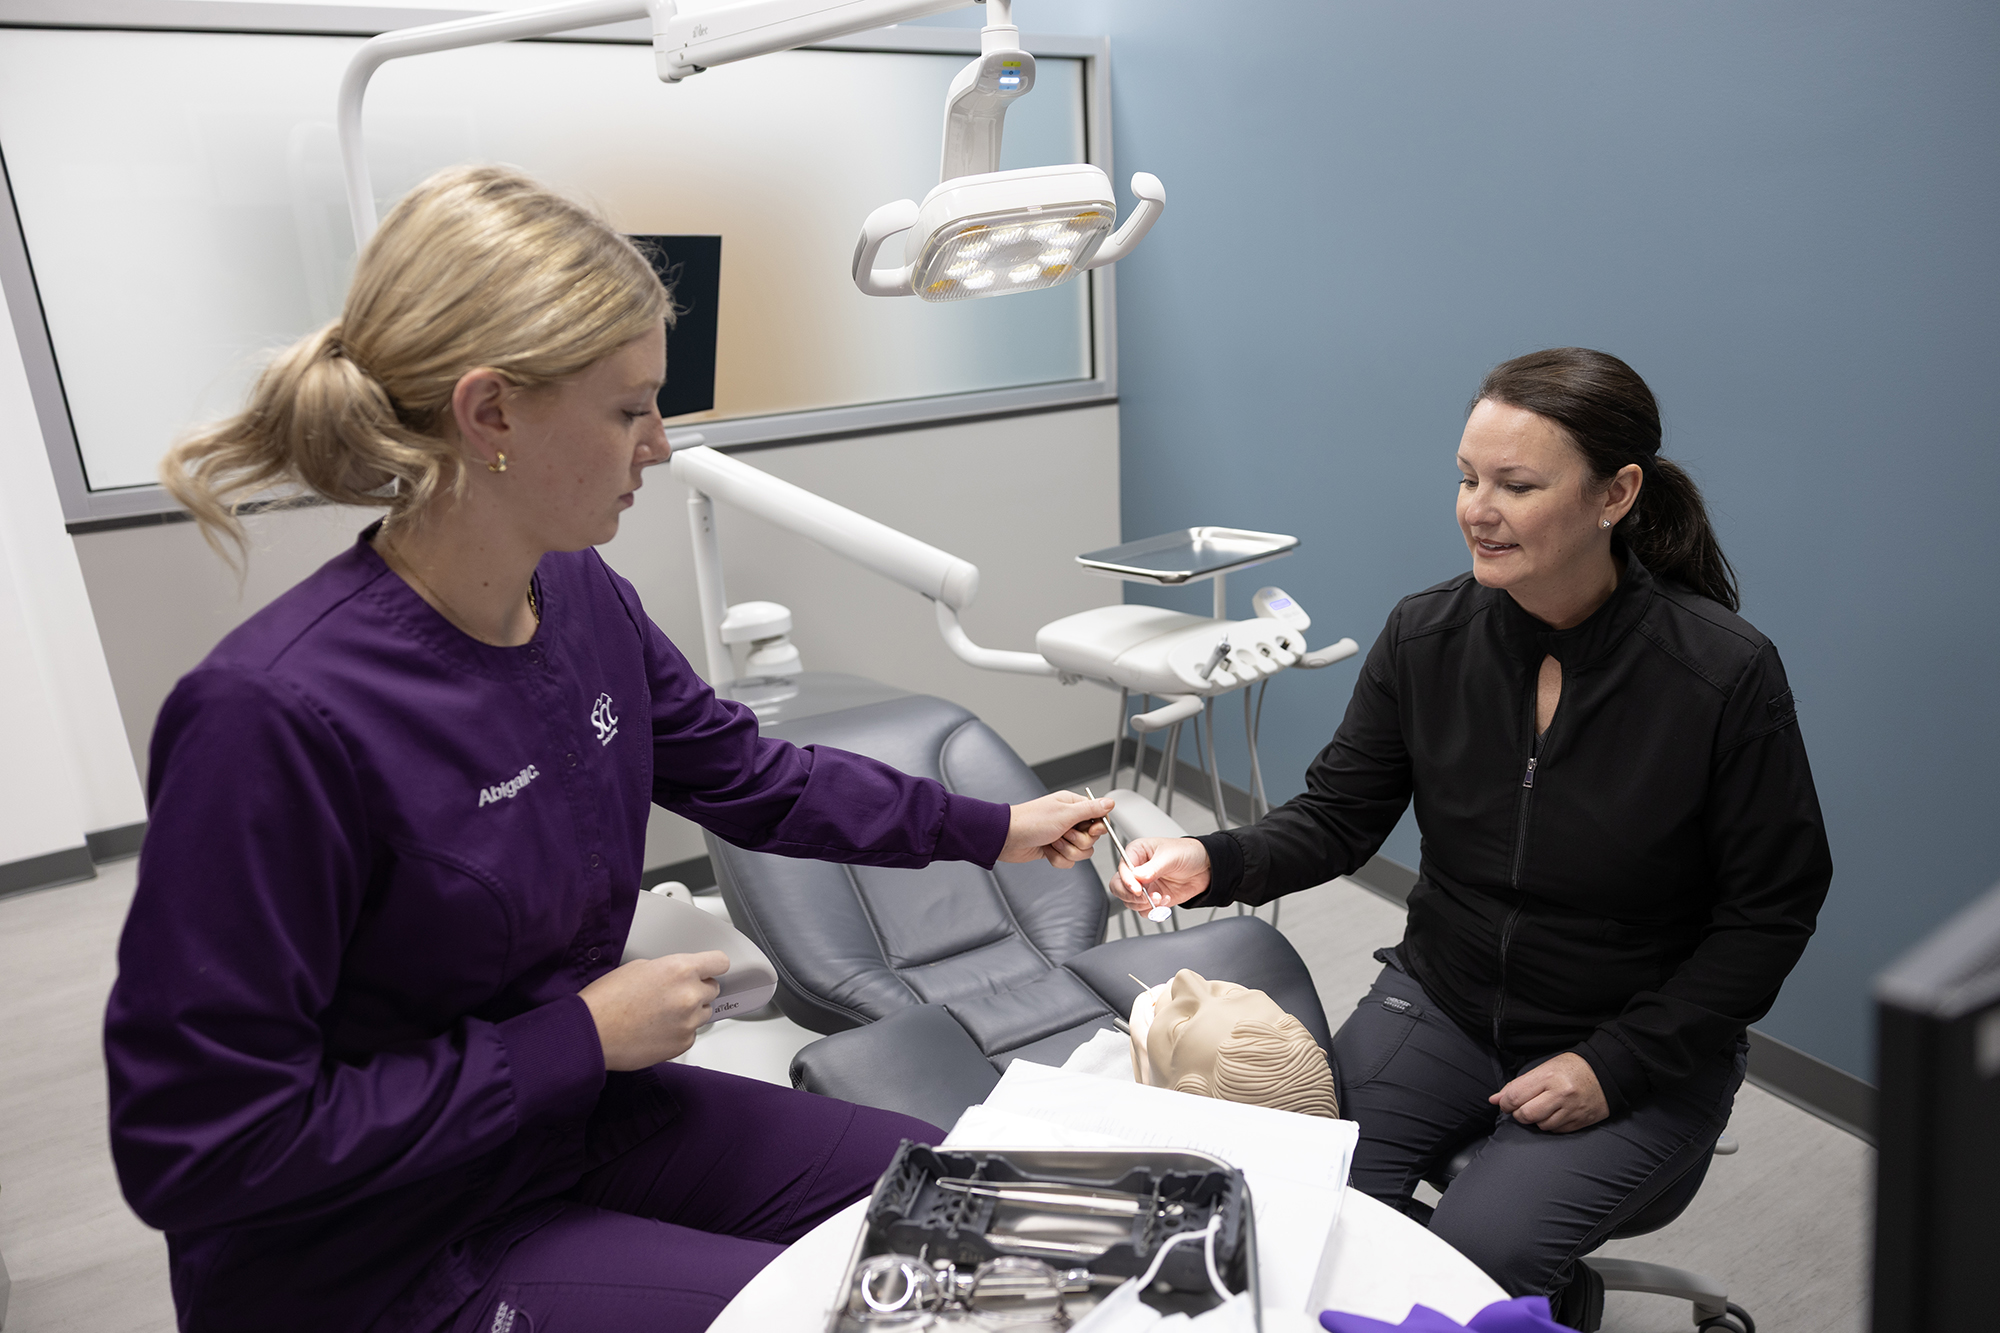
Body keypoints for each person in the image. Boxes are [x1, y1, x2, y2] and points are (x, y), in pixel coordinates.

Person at [103, 165, 1113, 1333]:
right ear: (491, 416)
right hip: (375, 1244)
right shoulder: (271, 719)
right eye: (629, 408)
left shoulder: (578, 597)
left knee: (963, 1206)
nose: (662, 444)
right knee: (843, 1318)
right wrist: (577, 1034)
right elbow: (201, 1147)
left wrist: (989, 826)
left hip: (570, 1118)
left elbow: (748, 776)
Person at [1113, 348, 1832, 1331]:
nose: (1474, 508)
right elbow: (1334, 816)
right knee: (1298, 1193)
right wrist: (1214, 861)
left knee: (1482, 1254)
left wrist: (1614, 1064)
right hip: (1442, 999)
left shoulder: (1717, 676)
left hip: (1634, 1037)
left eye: (1515, 484)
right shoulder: (1426, 637)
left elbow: (1768, 912)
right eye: (1465, 477)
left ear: (1614, 493)